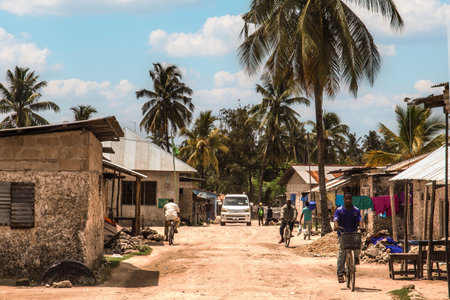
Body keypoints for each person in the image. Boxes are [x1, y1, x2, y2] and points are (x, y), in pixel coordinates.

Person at [334, 192, 365, 283]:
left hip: (353, 233)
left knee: (358, 245)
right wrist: (336, 226)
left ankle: (356, 258)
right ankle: (340, 274)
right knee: (342, 253)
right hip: (343, 234)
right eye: (346, 199)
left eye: (349, 199)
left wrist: (362, 227)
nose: (348, 200)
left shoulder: (356, 210)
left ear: (352, 200)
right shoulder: (339, 210)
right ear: (343, 199)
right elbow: (336, 220)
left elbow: (360, 220)